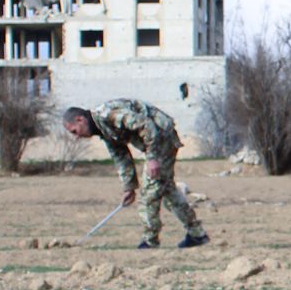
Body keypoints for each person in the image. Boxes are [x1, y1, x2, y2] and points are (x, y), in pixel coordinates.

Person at [62, 99, 209, 249]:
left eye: (74, 131)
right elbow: (120, 155)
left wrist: (152, 158)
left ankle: (150, 241)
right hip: (157, 143)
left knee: (148, 193)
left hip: (161, 139)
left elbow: (146, 125)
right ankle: (197, 234)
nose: (76, 136)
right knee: (168, 191)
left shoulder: (109, 115)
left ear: (80, 120)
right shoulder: (102, 128)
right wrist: (129, 187)